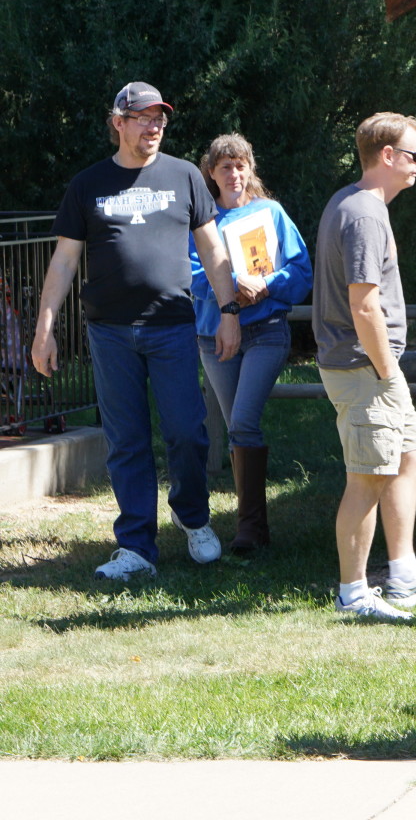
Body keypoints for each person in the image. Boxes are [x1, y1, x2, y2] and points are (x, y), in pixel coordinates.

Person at [31, 82, 241, 580]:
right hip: (109, 332)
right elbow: (63, 262)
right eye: (143, 118)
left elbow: (212, 250)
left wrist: (229, 309)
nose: (153, 127)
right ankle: (137, 548)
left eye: (160, 119)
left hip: (172, 327)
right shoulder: (88, 184)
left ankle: (192, 518)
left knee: (188, 433)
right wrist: (45, 328)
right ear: (118, 123)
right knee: (126, 440)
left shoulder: (185, 176)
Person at [314, 113, 416, 622]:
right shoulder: (365, 215)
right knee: (368, 476)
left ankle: (402, 570)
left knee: (411, 452)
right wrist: (383, 368)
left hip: (372, 366)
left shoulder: (355, 204)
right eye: (415, 155)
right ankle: (353, 592)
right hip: (364, 366)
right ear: (387, 157)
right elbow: (364, 306)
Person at [190, 133, 313, 553]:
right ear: (211, 173)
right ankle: (254, 529)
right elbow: (189, 273)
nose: (234, 173)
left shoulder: (271, 213)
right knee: (236, 428)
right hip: (214, 338)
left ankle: (249, 529)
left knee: (243, 422)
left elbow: (301, 272)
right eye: (225, 166)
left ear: (250, 169)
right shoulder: (200, 223)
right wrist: (228, 285)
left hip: (265, 332)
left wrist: (266, 284)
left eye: (241, 165)